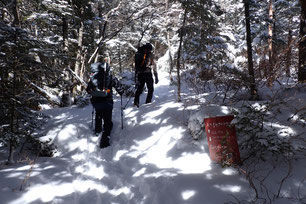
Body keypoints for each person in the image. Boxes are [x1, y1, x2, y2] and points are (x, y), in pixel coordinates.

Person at [87, 56, 123, 148]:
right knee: (108, 122)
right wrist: (121, 92)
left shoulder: (93, 77)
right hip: (107, 101)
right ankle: (104, 141)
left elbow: (88, 90)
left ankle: (97, 131)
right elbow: (119, 88)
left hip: (95, 101)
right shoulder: (109, 77)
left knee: (98, 114)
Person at [133, 43, 158, 107]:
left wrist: (136, 75)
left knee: (139, 89)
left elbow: (135, 66)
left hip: (140, 74)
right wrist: (156, 76)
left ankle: (136, 103)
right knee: (150, 88)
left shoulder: (138, 54)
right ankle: (148, 103)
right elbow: (154, 66)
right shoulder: (150, 55)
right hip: (147, 73)